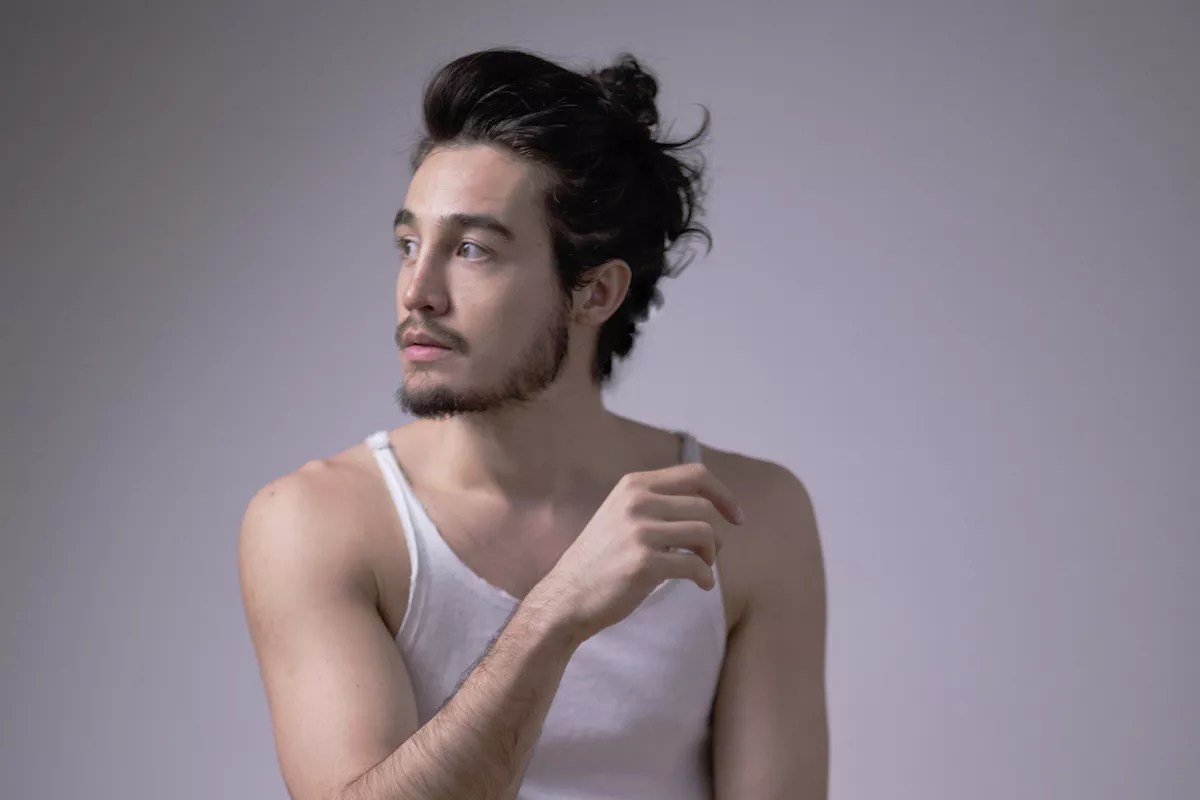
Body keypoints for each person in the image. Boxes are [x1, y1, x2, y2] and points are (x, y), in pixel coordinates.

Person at [238, 47, 828, 800]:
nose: (418, 291)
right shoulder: (316, 522)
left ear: (595, 292)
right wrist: (555, 614)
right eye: (409, 245)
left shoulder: (748, 516)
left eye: (472, 249)